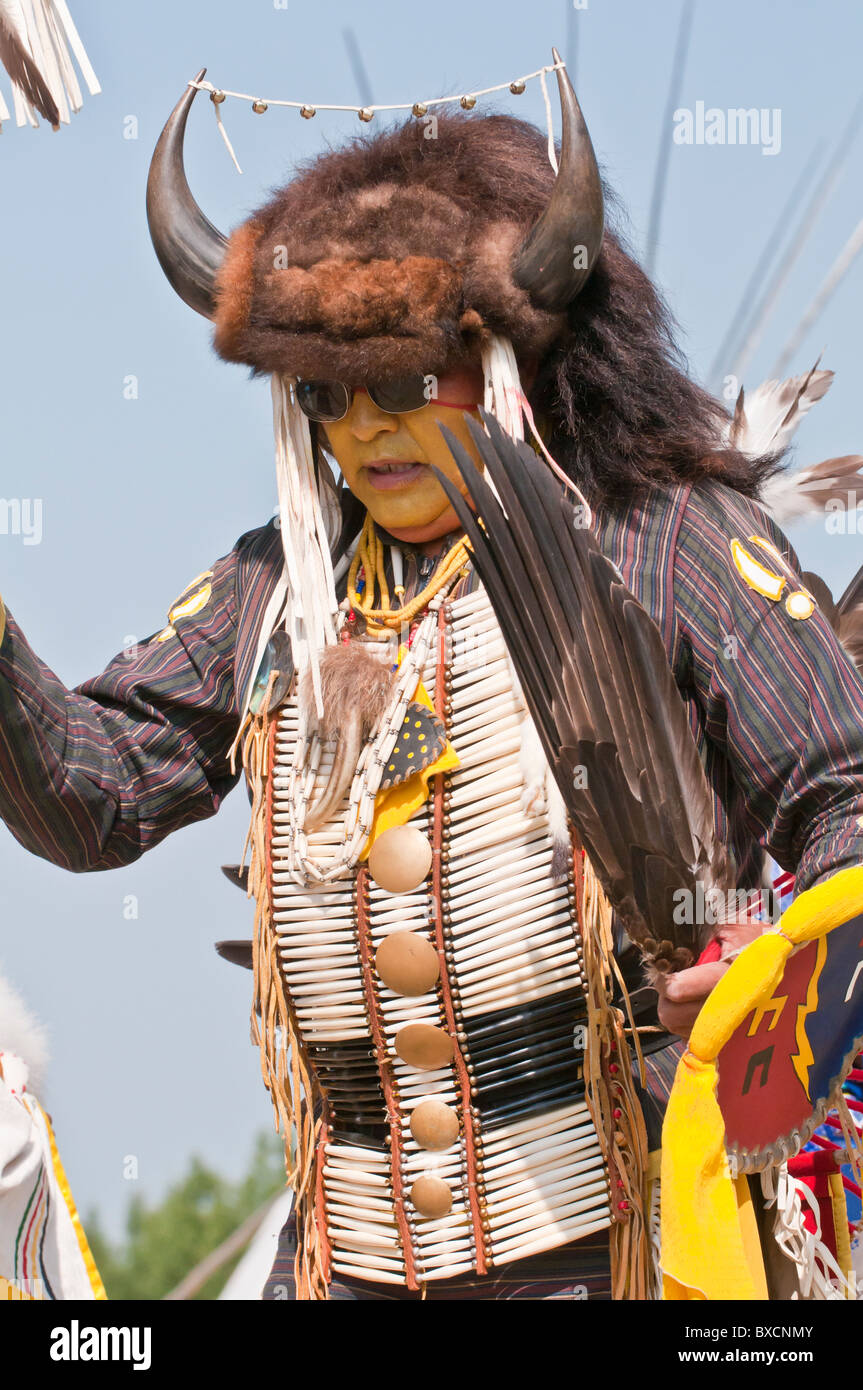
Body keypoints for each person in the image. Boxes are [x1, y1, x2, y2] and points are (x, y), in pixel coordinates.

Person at [2, 58, 863, 1299]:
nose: (363, 432)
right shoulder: (279, 588)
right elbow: (91, 797)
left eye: (407, 383)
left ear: (512, 358)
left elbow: (846, 792)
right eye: (323, 396)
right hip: (346, 1266)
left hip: (631, 1246)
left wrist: (768, 974)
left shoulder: (656, 537)